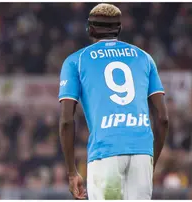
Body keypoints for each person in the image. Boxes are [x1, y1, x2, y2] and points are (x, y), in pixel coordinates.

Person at [58, 3, 169, 200]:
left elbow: (67, 120)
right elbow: (162, 118)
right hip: (142, 151)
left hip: (105, 151)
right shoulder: (144, 58)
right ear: (119, 29)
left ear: (90, 29)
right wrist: (150, 161)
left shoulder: (76, 61)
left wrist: (71, 171)